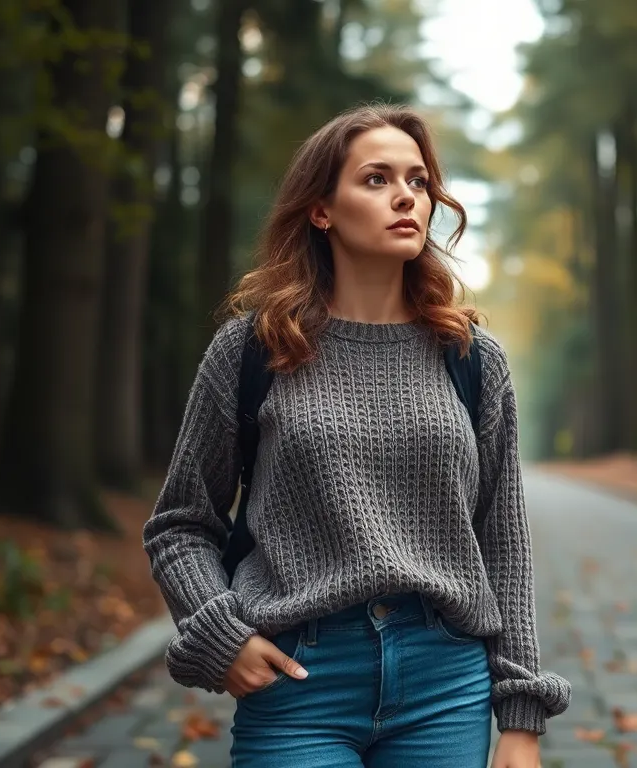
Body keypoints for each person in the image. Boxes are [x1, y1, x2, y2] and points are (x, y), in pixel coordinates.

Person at [142, 103, 570, 767]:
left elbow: (503, 540)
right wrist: (222, 635)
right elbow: (179, 525)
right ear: (321, 209)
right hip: (301, 679)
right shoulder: (254, 349)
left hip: (444, 683)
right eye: (376, 179)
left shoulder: (472, 358)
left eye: (419, 181)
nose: (406, 196)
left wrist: (520, 717)